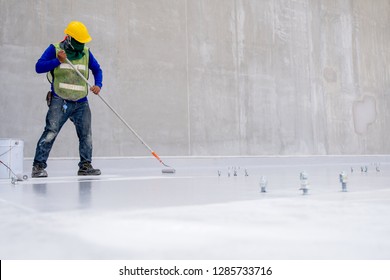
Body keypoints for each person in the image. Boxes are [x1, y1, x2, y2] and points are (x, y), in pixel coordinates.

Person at [32, 21, 103, 177]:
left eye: (82, 42)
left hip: (81, 102)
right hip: (60, 100)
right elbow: (39, 67)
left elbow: (97, 70)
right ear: (69, 38)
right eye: (78, 41)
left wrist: (98, 85)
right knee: (51, 132)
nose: (80, 44)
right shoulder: (55, 49)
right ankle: (38, 167)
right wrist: (58, 61)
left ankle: (85, 166)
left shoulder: (86, 52)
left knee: (86, 135)